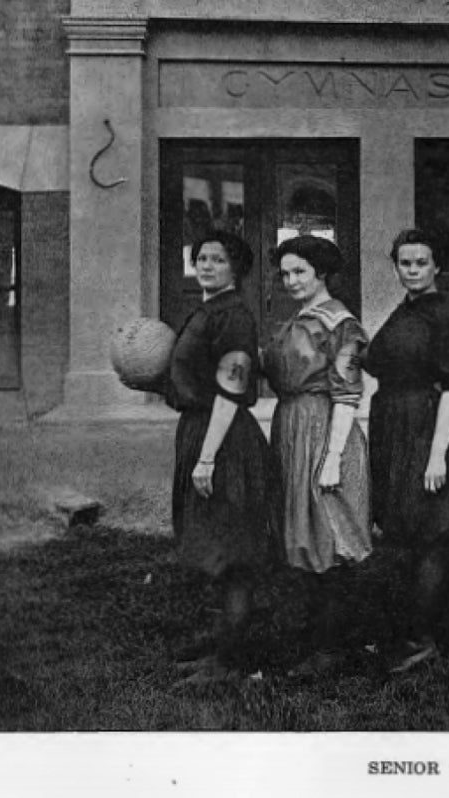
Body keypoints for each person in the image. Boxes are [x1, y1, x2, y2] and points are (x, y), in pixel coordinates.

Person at [166, 230, 281, 685]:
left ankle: (232, 662)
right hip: (199, 428)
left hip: (225, 438)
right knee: (215, 546)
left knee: (234, 553)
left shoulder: (234, 316)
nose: (207, 265)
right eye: (201, 257)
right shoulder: (206, 310)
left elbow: (232, 391)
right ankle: (223, 650)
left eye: (217, 259)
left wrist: (209, 458)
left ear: (236, 268)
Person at [262, 235, 372, 675]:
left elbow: (347, 395)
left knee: (329, 534)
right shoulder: (297, 320)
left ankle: (332, 647)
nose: (290, 281)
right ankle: (313, 639)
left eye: (300, 272)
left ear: (321, 273)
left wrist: (332, 456)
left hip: (326, 431)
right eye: (285, 273)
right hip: (291, 428)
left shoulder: (341, 323)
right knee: (301, 534)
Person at [366, 229, 449, 673]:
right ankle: (415, 625)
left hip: (427, 426)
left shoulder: (446, 315)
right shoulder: (403, 311)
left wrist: (436, 454)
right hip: (394, 424)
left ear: (437, 268)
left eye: (420, 263)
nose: (411, 270)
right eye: (404, 263)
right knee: (405, 530)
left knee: (431, 533)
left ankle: (423, 637)